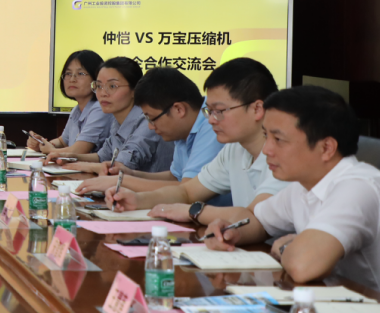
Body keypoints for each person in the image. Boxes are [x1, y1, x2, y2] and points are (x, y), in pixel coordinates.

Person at [203, 86, 380, 292]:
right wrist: (228, 231)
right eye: (265, 136)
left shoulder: (358, 188)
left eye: (278, 139)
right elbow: (257, 220)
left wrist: (286, 247)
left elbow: (302, 266)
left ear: (326, 148)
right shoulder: (303, 185)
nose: (267, 150)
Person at [106, 57, 286, 222]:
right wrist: (137, 199)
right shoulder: (234, 149)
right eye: (209, 111)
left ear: (257, 109)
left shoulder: (285, 155)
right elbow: (187, 191)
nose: (211, 120)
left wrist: (192, 212)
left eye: (219, 111)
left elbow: (254, 219)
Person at [77, 67, 223, 195]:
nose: (151, 127)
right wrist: (130, 174)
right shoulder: (183, 129)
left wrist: (121, 182)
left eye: (152, 119)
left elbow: (187, 189)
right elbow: (175, 177)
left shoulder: (211, 126)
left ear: (179, 109)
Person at [59, 57, 163, 173]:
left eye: (112, 86)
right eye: (99, 86)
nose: (103, 93)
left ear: (135, 90)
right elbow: (102, 157)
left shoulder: (148, 121)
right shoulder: (117, 121)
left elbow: (123, 166)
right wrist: (67, 157)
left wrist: (88, 166)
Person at [28, 50, 109, 157]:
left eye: (80, 74)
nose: (72, 79)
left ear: (97, 79)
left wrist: (50, 150)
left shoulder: (100, 108)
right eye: (68, 73)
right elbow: (62, 141)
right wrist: (42, 143)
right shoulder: (77, 109)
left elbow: (79, 150)